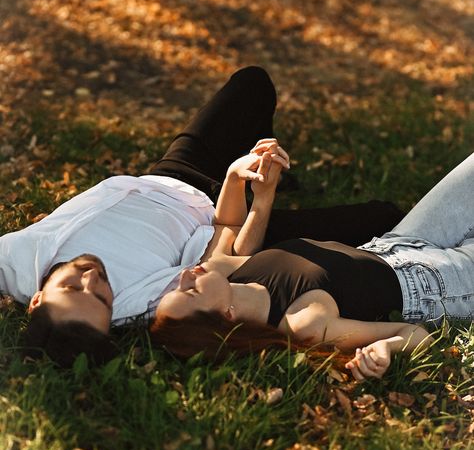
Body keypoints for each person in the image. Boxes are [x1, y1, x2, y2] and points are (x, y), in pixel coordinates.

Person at [0, 66, 403, 365]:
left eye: (72, 289)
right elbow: (221, 258)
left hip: (174, 176)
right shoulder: (139, 303)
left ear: (36, 300)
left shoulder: (15, 261)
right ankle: (268, 179)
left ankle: (261, 163)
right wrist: (249, 195)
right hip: (220, 219)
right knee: (378, 217)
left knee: (252, 83)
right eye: (101, 297)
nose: (92, 278)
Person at [152, 151, 474, 381]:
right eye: (190, 292)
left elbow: (227, 227)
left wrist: (240, 178)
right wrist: (386, 348)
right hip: (436, 286)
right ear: (226, 316)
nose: (184, 276)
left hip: (394, 243)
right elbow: (414, 334)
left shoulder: (225, 273)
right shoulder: (304, 325)